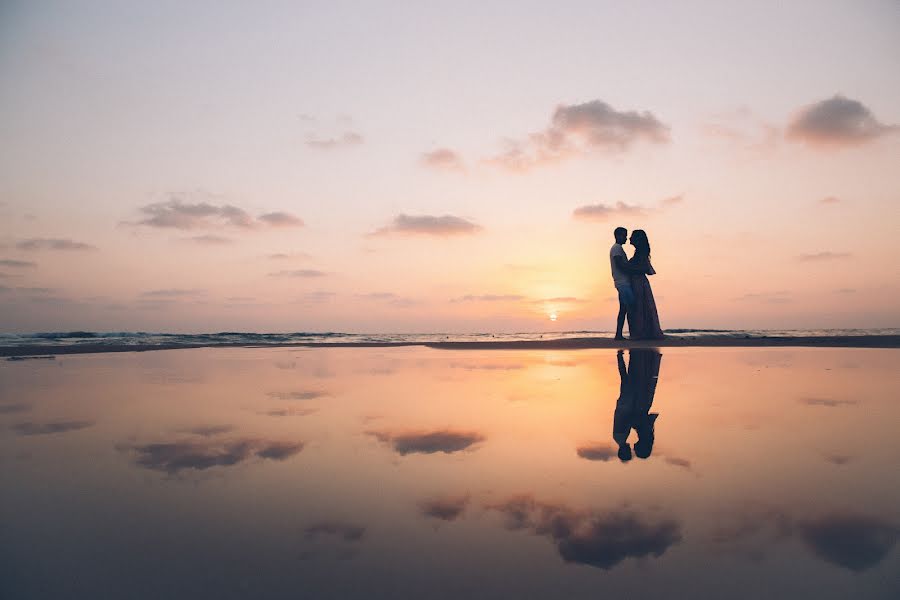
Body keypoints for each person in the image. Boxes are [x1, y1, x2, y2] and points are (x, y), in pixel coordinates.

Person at [612, 349, 662, 462]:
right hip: (629, 403)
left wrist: (633, 423)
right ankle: (625, 355)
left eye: (630, 452)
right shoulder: (621, 437)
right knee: (628, 377)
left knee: (630, 377)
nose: (632, 449)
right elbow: (629, 420)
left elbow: (627, 420)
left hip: (629, 403)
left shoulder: (622, 437)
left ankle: (629, 355)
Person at [625, 229, 665, 340]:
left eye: (632, 236)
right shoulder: (639, 252)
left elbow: (644, 268)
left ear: (638, 239)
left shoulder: (640, 253)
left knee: (639, 307)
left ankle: (640, 333)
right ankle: (642, 332)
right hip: (638, 282)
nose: (630, 238)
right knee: (641, 307)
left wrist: (627, 267)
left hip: (638, 282)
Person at [609, 227, 634, 340]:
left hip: (621, 282)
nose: (626, 237)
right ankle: (627, 333)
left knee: (624, 308)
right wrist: (632, 269)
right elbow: (619, 264)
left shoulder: (617, 248)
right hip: (622, 282)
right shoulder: (616, 248)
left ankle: (619, 334)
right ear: (618, 235)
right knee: (630, 306)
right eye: (624, 235)